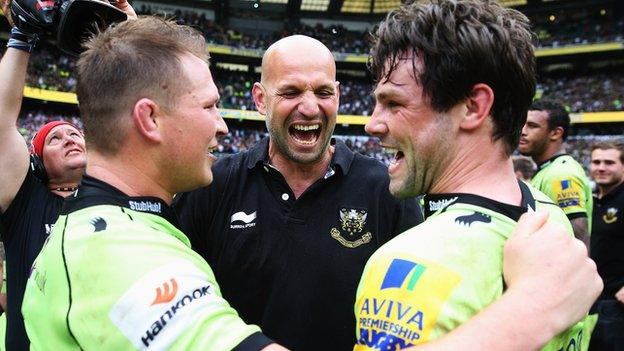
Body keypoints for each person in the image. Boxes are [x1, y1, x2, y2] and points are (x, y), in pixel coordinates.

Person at [21, 16, 287, 351]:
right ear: (150, 119)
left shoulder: (97, 226)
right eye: (209, 106)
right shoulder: (117, 252)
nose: (222, 126)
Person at [356, 1, 601, 350]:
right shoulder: (551, 217)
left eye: (393, 103)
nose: (372, 123)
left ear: (472, 107)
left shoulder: (410, 262)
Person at [174, 34, 423, 351]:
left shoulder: (385, 190)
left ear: (337, 96)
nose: (309, 108)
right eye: (291, 92)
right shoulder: (213, 185)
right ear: (261, 99)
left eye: (323, 92)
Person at [0, 1, 135, 348]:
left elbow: (146, 110)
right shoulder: (24, 202)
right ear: (38, 163)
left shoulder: (116, 194)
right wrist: (21, 36)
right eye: (55, 139)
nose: (71, 138)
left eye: (75, 133)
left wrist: (131, 33)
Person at [519, 99, 593, 247]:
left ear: (555, 133)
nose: (522, 131)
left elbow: (577, 235)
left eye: (532, 126)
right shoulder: (549, 169)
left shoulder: (560, 174)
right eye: (523, 124)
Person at [588, 141, 624, 350]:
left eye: (609, 162)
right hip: (591, 299)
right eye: (596, 162)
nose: (601, 167)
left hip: (615, 304)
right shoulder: (591, 200)